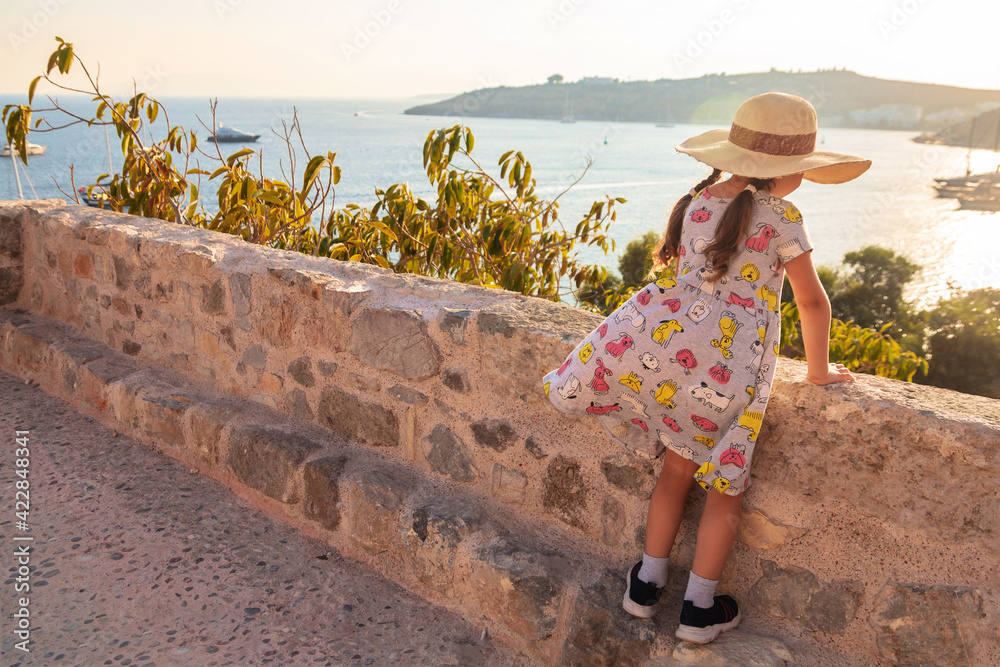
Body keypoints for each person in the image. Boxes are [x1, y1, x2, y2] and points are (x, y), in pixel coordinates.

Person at [540, 92, 870, 644]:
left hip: (670, 356)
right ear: (789, 173)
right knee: (725, 488)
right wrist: (817, 372)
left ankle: (645, 586)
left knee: (675, 472)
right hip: (733, 373)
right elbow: (811, 302)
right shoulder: (783, 217)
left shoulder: (698, 201)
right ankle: (698, 609)